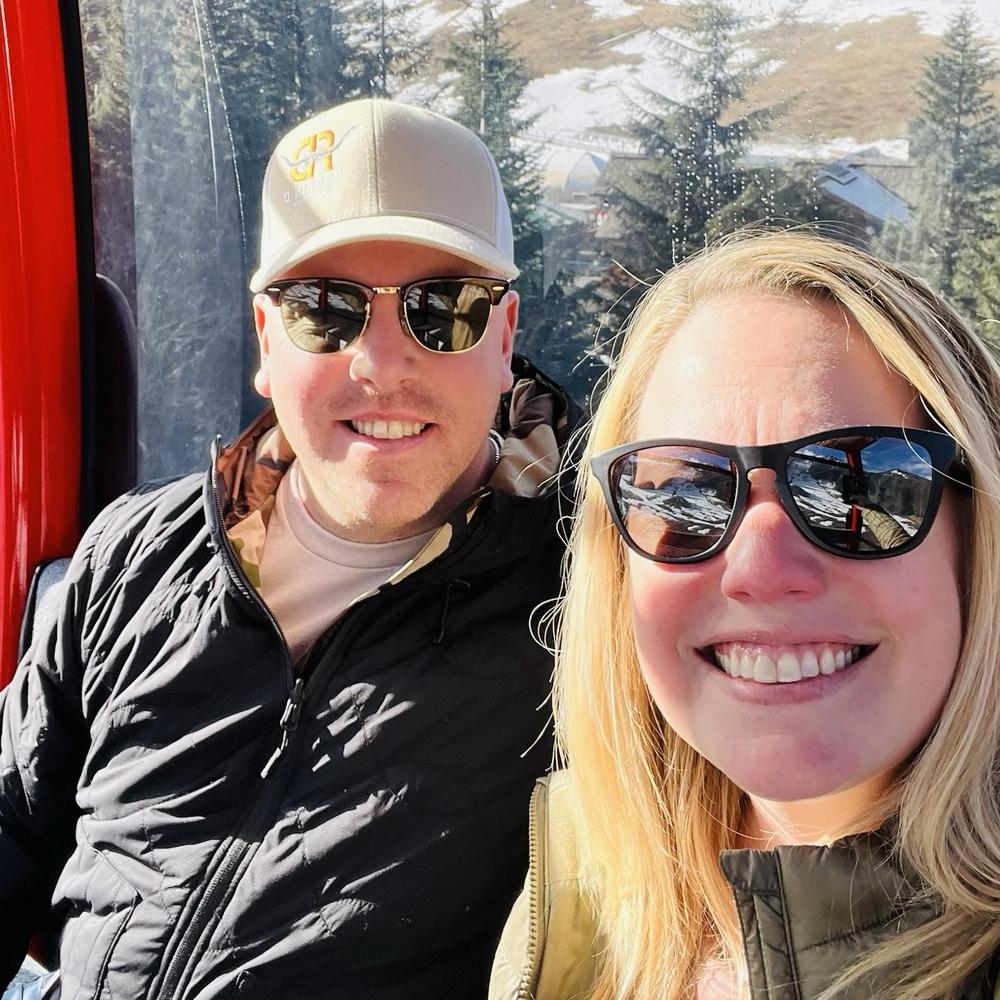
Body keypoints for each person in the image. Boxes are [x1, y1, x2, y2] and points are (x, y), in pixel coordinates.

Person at [0, 98, 577, 999]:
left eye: (443, 310)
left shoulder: (588, 606)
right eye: (325, 309)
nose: (380, 363)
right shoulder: (137, 556)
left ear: (503, 339)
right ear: (267, 340)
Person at [491, 231, 1000, 1000]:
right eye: (685, 495)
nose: (760, 571)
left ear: (976, 538)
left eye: (857, 488)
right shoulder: (581, 883)